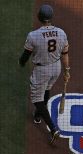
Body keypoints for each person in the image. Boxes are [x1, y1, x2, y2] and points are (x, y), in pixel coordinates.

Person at [18, 4, 70, 145]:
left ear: (39, 17)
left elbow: (25, 56)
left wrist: (21, 62)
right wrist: (67, 70)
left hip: (42, 70)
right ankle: (37, 114)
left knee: (36, 99)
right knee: (47, 89)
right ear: (51, 17)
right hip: (57, 68)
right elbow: (65, 54)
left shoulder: (33, 35)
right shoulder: (61, 32)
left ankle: (53, 129)